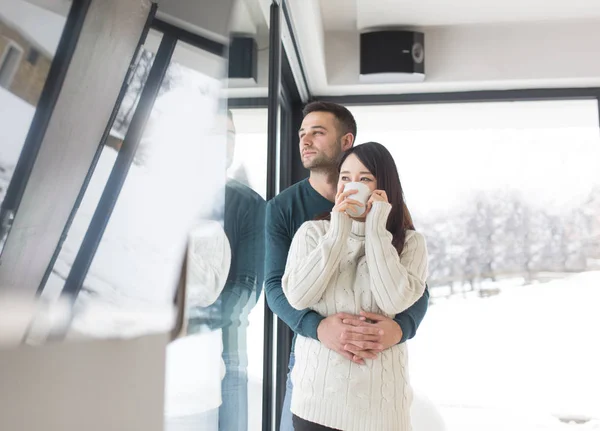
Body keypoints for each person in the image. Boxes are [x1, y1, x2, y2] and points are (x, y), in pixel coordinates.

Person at [264, 101, 430, 430]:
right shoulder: (290, 213)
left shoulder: (391, 217)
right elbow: (277, 287)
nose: (305, 140)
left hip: (379, 381)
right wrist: (319, 328)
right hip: (316, 359)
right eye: (301, 133)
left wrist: (399, 329)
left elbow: (416, 288)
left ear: (346, 141)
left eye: (317, 132)